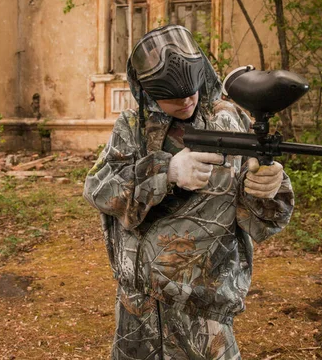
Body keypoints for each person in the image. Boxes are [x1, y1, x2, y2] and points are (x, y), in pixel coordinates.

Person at [83, 24, 294, 359]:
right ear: (147, 90)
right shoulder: (131, 127)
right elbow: (97, 189)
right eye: (172, 97)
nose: (186, 101)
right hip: (137, 309)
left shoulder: (231, 121)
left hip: (202, 313)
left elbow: (263, 221)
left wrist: (269, 187)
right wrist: (166, 173)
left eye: (191, 91)